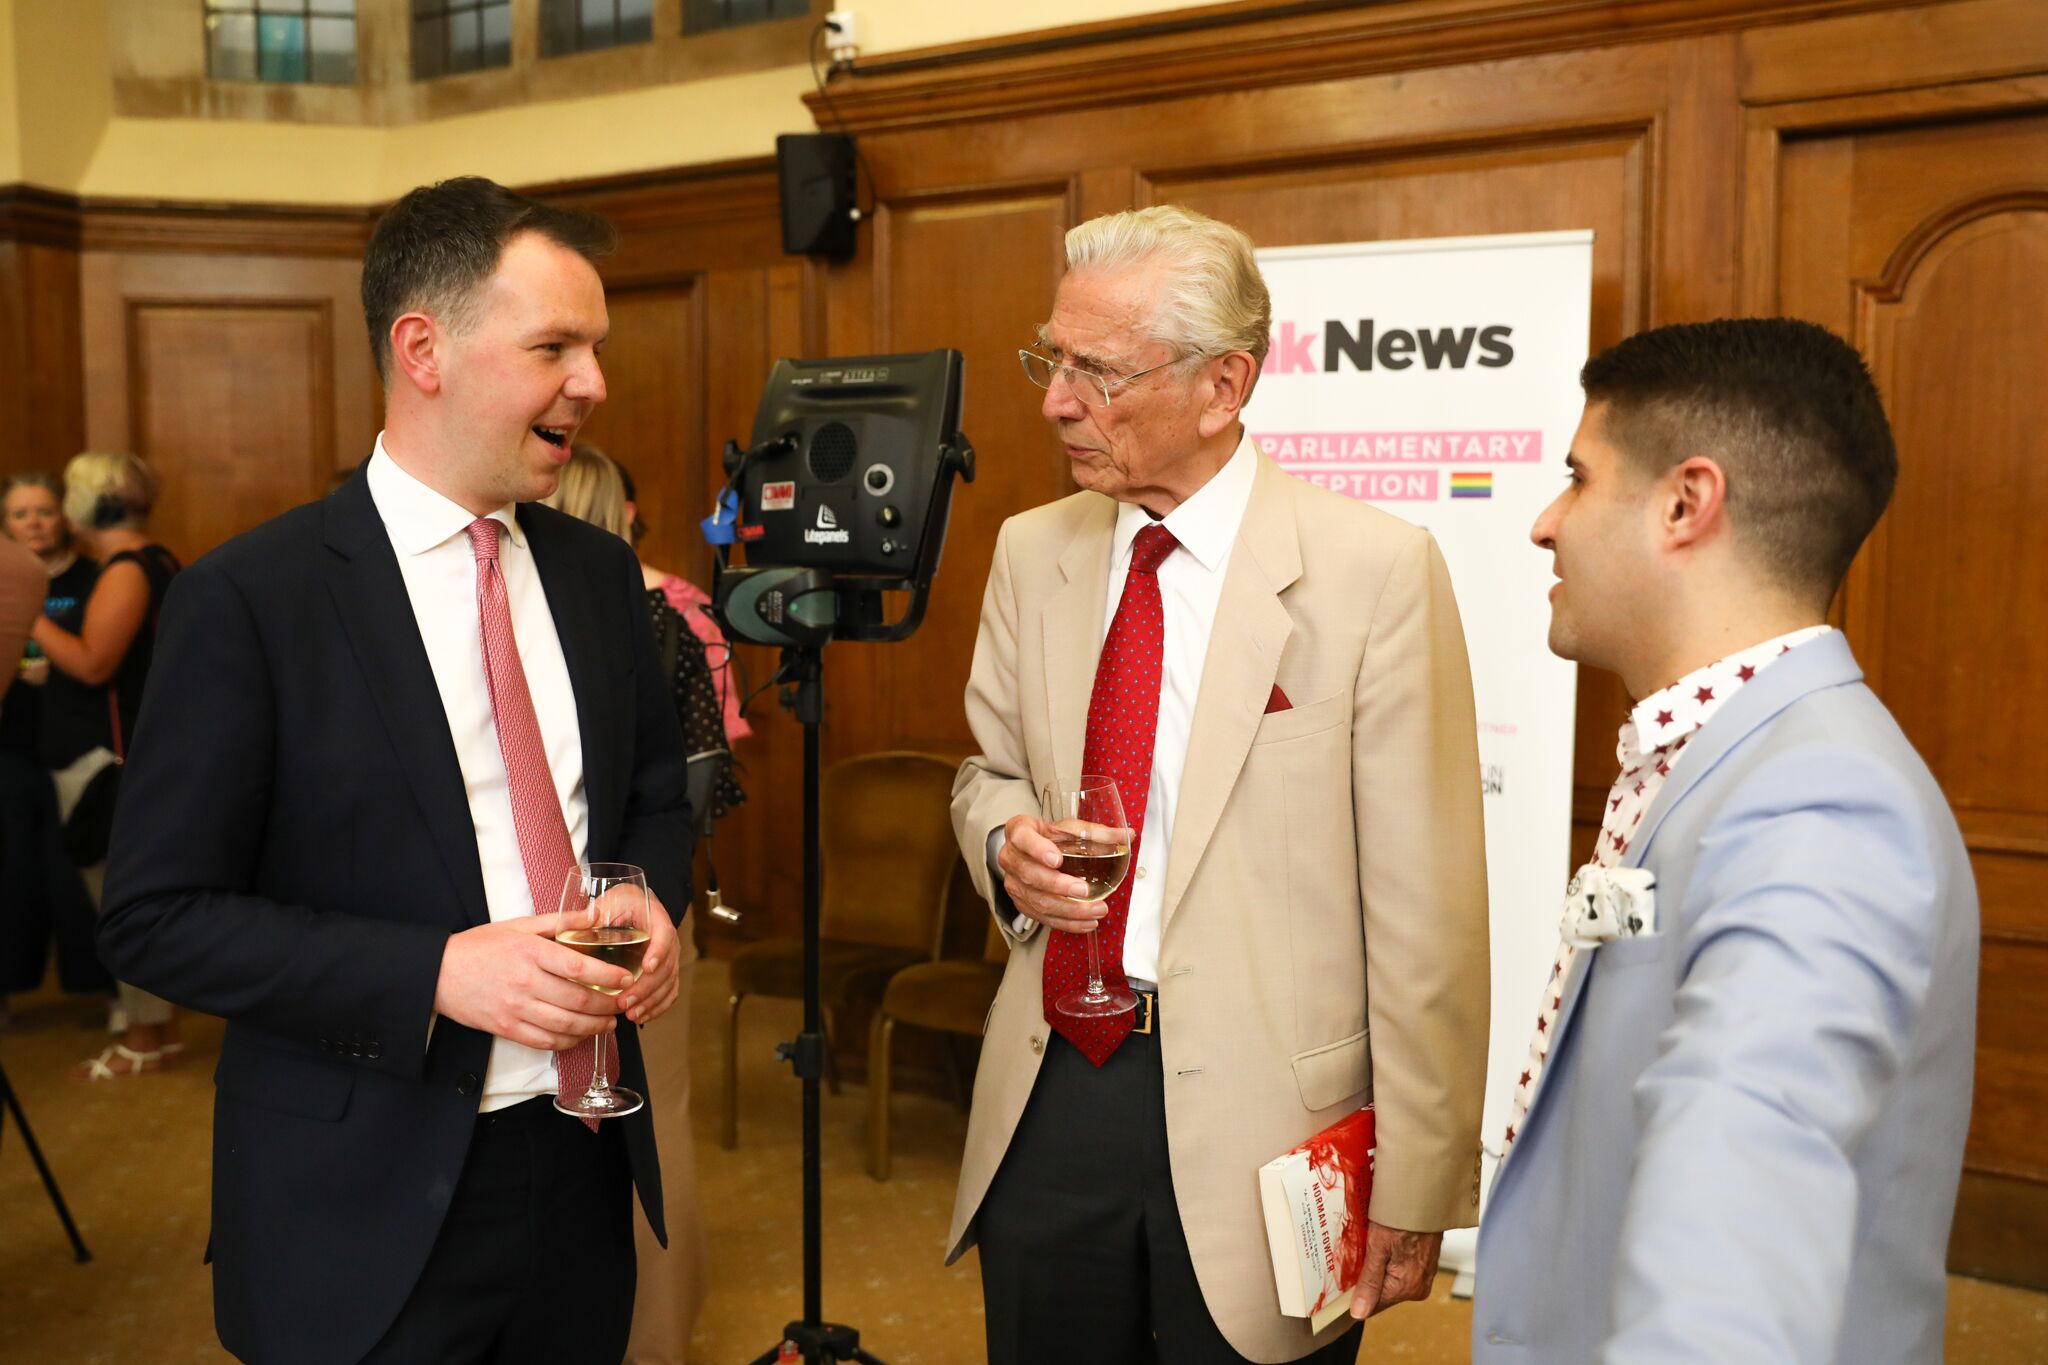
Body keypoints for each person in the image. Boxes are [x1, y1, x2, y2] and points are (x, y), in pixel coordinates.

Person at [98, 176, 694, 1365]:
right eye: (555, 347)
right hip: (355, 1196)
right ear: (422, 349)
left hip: (580, 1168)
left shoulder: (594, 576)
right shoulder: (249, 600)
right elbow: (157, 920)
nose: (594, 383)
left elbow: (652, 801)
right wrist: (429, 971)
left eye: (596, 347)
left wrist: (647, 897)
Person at [949, 205, 1491, 1364]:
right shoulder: (1027, 550)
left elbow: (1426, 909)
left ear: (1222, 384)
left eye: (1095, 371)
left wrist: (1423, 1174)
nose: (1053, 401)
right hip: (1052, 1089)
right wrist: (1003, 846)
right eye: (1051, 360)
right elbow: (984, 771)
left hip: (1273, 1124)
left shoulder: (1372, 574)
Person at [1472, 319, 1979, 1363]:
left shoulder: (1821, 796)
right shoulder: (1723, 750)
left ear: (1683, 503)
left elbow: (1748, 1153)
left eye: (1575, 477)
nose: (1541, 523)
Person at [542, 442, 716, 1365]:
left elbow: (672, 791)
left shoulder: (637, 609)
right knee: (654, 1123)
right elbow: (701, 786)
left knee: (629, 1126)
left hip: (616, 923)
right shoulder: (659, 614)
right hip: (632, 913)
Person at [22, 452, 182, 1078]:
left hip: (105, 763)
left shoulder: (125, 568)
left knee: (118, 902)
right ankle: (157, 1030)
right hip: (124, 758)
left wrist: (26, 606)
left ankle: (143, 1039)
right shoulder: (151, 559)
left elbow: (93, 663)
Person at [0, 472, 110, 1014]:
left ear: (64, 517)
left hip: (77, 741)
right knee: (14, 869)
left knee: (76, 871)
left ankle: (100, 990)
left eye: (43, 511)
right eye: (21, 514)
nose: (34, 523)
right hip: (12, 744)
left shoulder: (96, 577)